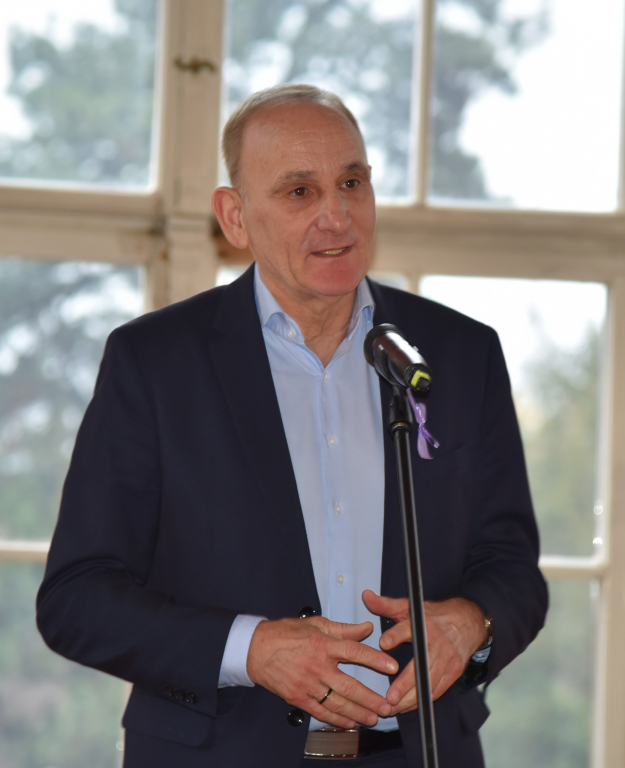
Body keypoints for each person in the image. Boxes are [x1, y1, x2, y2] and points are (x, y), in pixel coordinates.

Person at [36, 85, 548, 768]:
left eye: (352, 182)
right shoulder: (154, 362)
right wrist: (249, 649)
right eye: (299, 192)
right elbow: (77, 599)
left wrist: (472, 622)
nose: (337, 216)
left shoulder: (457, 354)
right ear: (235, 217)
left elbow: (512, 571)